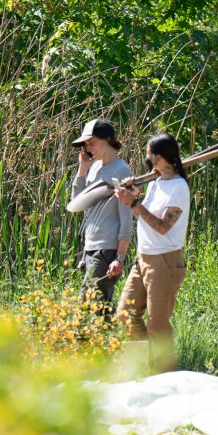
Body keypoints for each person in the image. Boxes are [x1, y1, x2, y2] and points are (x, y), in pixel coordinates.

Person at [114, 133, 190, 372]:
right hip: (143, 258)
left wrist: (134, 204)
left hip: (164, 260)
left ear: (159, 157)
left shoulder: (178, 187)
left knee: (158, 325)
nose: (146, 158)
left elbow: (163, 226)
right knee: (126, 313)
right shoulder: (157, 182)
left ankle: (166, 377)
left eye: (149, 154)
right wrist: (135, 195)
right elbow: (149, 211)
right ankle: (146, 367)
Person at [70, 118, 134, 309]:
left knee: (88, 305)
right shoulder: (94, 167)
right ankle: (116, 336)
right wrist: (82, 169)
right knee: (99, 309)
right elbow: (77, 203)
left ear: (106, 139)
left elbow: (126, 215)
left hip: (106, 249)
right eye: (86, 144)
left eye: (91, 142)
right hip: (90, 247)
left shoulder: (121, 171)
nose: (88, 148)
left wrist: (120, 257)